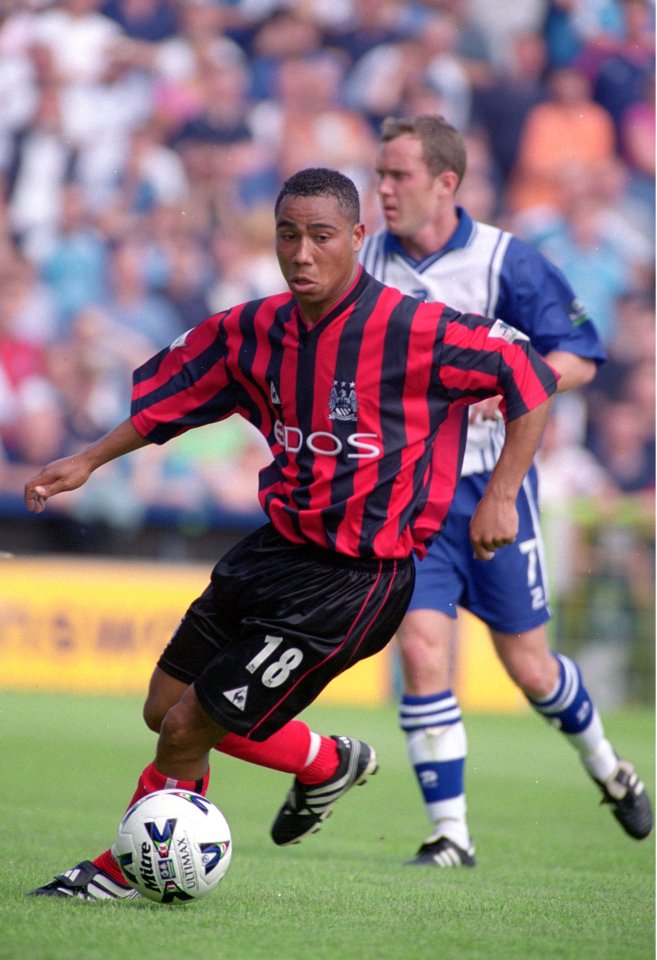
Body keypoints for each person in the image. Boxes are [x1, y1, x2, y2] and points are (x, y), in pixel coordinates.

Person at [25, 166, 557, 900]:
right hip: (274, 548)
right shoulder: (253, 329)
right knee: (162, 708)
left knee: (184, 729)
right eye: (287, 235)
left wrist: (501, 494)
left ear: (357, 240)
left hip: (353, 579)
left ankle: (122, 875)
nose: (301, 253)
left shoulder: (414, 328)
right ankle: (322, 764)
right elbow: (172, 403)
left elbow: (528, 372)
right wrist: (85, 459)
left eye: (321, 236)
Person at [359, 114, 653, 868]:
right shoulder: (364, 261)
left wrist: (520, 383)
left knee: (530, 670)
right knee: (423, 652)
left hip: (495, 488)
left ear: (445, 183)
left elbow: (582, 355)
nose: (382, 190)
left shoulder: (505, 262)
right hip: (412, 499)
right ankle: (449, 835)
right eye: (380, 174)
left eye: (398, 177)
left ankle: (608, 769)